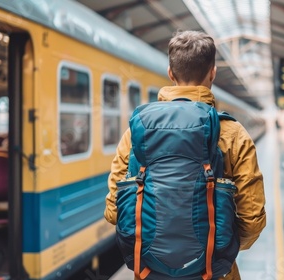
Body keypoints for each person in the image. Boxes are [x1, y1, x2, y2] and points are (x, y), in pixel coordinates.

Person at [104, 30, 266, 280]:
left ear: (170, 73)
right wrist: (216, 250)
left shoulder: (135, 133)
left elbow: (114, 211)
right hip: (214, 273)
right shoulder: (234, 134)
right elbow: (252, 219)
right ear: (213, 72)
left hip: (149, 273)